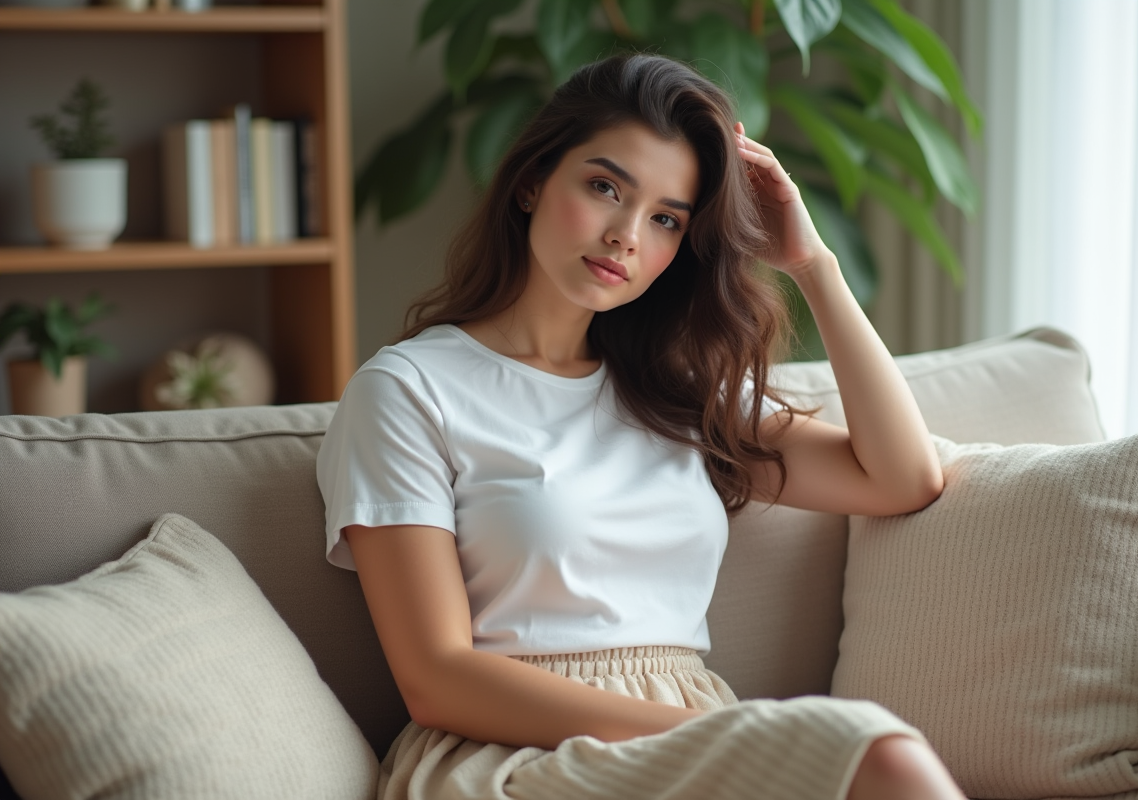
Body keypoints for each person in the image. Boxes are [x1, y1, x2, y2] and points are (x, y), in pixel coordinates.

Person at [317, 51, 965, 800]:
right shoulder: (408, 391)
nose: (627, 234)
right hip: (518, 754)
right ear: (532, 182)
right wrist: (714, 737)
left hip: (692, 741)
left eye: (665, 220)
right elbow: (437, 679)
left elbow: (902, 479)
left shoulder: (671, 393)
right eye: (604, 188)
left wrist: (813, 266)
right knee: (879, 755)